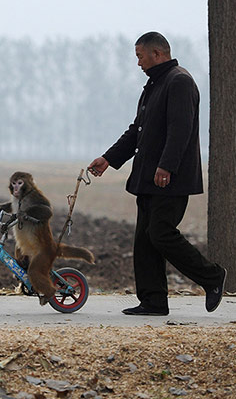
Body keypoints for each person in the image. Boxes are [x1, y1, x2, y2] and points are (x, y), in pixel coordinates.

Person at [88, 31, 226, 316]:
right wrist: (109, 159)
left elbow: (181, 130)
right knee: (145, 240)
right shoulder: (155, 85)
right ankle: (153, 301)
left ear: (158, 54)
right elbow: (137, 131)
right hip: (148, 178)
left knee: (161, 234)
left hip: (169, 178)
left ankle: (212, 277)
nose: (138, 62)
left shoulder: (179, 82)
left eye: (140, 56)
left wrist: (167, 166)